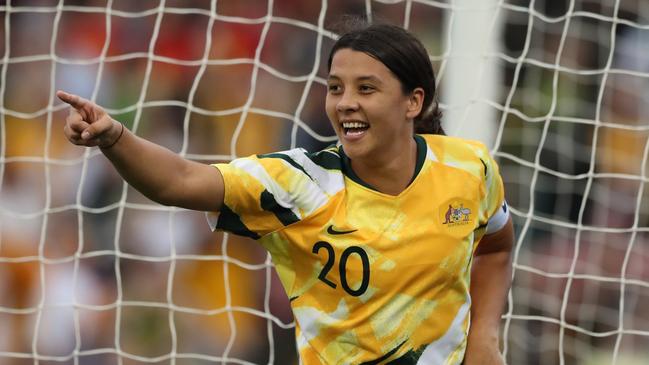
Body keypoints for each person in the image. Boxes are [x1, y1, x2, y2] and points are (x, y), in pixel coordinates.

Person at [58, 19, 514, 365]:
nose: (345, 102)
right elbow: (178, 180)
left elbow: (494, 242)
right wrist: (114, 137)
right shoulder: (298, 184)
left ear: (413, 101)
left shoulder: (467, 167)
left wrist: (485, 336)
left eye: (366, 88)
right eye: (335, 88)